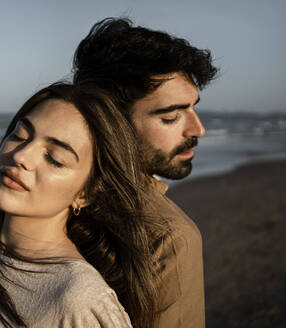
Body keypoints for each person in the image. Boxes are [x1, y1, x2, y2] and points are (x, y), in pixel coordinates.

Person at [0, 83, 170, 328]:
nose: (20, 156)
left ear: (85, 194)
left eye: (54, 158)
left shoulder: (80, 300)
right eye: (19, 135)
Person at [72, 18, 219, 327]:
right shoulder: (171, 237)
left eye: (193, 108)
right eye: (172, 117)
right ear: (112, 123)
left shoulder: (41, 202)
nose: (198, 129)